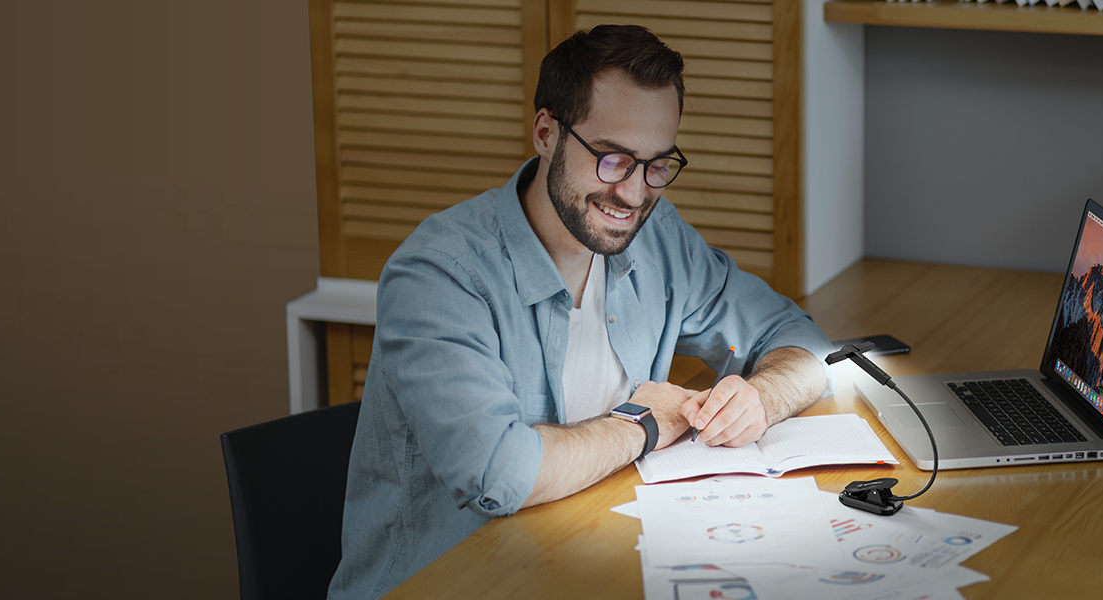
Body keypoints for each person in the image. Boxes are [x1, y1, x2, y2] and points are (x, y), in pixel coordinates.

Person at [327, 24, 834, 600]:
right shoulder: (439, 276)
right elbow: (501, 474)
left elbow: (804, 342)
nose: (636, 194)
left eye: (657, 164)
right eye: (613, 158)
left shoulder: (656, 236)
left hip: (586, 562)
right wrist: (645, 423)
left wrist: (761, 399)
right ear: (546, 133)